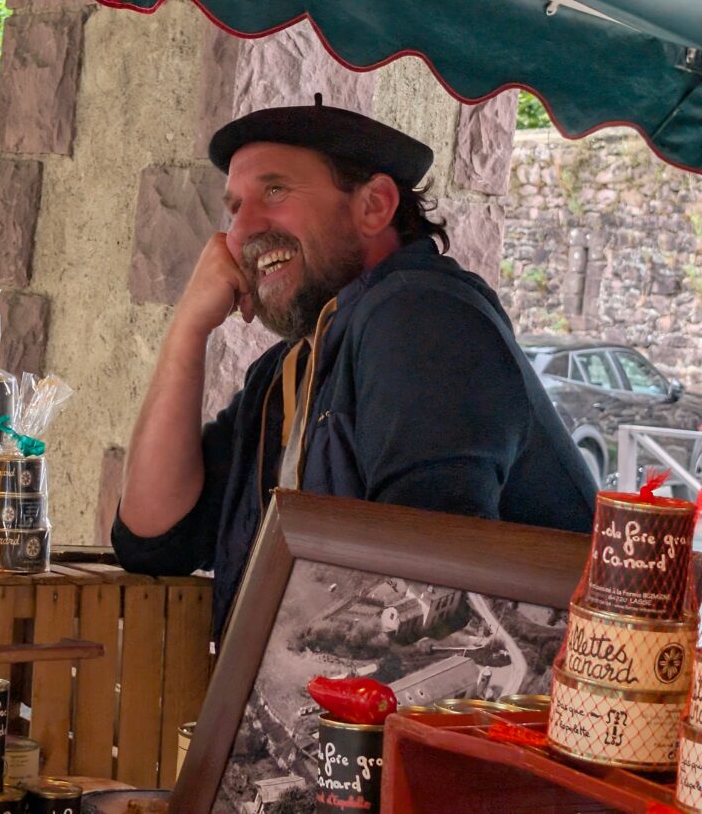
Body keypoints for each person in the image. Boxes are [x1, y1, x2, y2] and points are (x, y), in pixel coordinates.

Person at [112, 97, 596, 639]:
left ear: (374, 206)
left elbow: (429, 587)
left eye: (274, 191)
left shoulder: (421, 314)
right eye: (234, 209)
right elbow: (153, 538)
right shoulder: (287, 370)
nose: (241, 232)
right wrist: (188, 330)